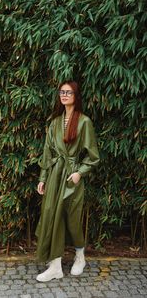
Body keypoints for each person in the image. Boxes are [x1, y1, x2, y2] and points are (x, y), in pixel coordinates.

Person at [35, 80, 100, 282]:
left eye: (68, 92)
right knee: (50, 216)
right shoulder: (55, 122)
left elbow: (93, 156)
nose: (64, 95)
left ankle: (80, 256)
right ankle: (55, 265)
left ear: (76, 96)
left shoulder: (84, 122)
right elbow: (47, 152)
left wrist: (80, 172)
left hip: (71, 176)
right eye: (61, 92)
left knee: (71, 220)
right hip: (55, 174)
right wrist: (43, 177)